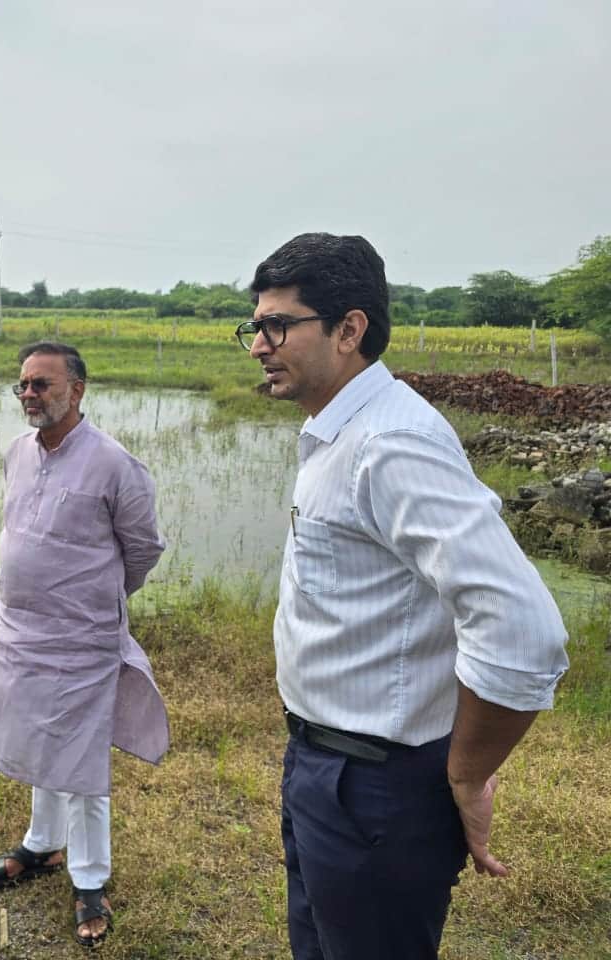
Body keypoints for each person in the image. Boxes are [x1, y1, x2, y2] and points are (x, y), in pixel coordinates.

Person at [239, 232, 569, 959]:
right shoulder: (340, 433)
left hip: (378, 786)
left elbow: (522, 631)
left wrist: (469, 773)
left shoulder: (390, 444)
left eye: (278, 325)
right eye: (254, 327)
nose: (259, 344)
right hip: (323, 766)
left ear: (348, 329)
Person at [0, 341, 168, 948]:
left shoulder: (115, 464)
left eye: (41, 384)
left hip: (83, 640)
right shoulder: (18, 452)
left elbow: (143, 547)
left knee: (81, 759)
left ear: (77, 390)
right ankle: (42, 846)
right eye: (22, 385)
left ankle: (90, 881)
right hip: (20, 633)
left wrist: (93, 596)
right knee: (38, 738)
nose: (29, 395)